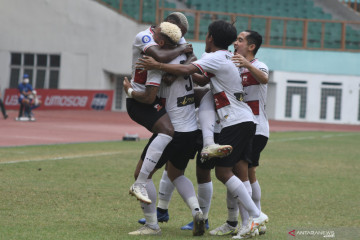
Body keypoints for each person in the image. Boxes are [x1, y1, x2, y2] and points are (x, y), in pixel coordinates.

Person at [136, 20, 269, 238]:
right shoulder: (225, 58)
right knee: (228, 171)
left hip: (237, 121)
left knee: (227, 172)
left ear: (209, 38)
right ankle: (249, 219)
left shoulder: (215, 57)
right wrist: (182, 69)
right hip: (238, 120)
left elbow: (189, 69)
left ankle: (255, 216)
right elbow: (197, 76)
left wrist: (159, 66)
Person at [125, 22, 205, 236]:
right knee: (176, 173)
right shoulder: (184, 58)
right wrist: (187, 55)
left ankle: (151, 225)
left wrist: (131, 91)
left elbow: (165, 80)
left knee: (142, 175)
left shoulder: (161, 59)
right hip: (191, 129)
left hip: (174, 129)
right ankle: (197, 211)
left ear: (160, 40)